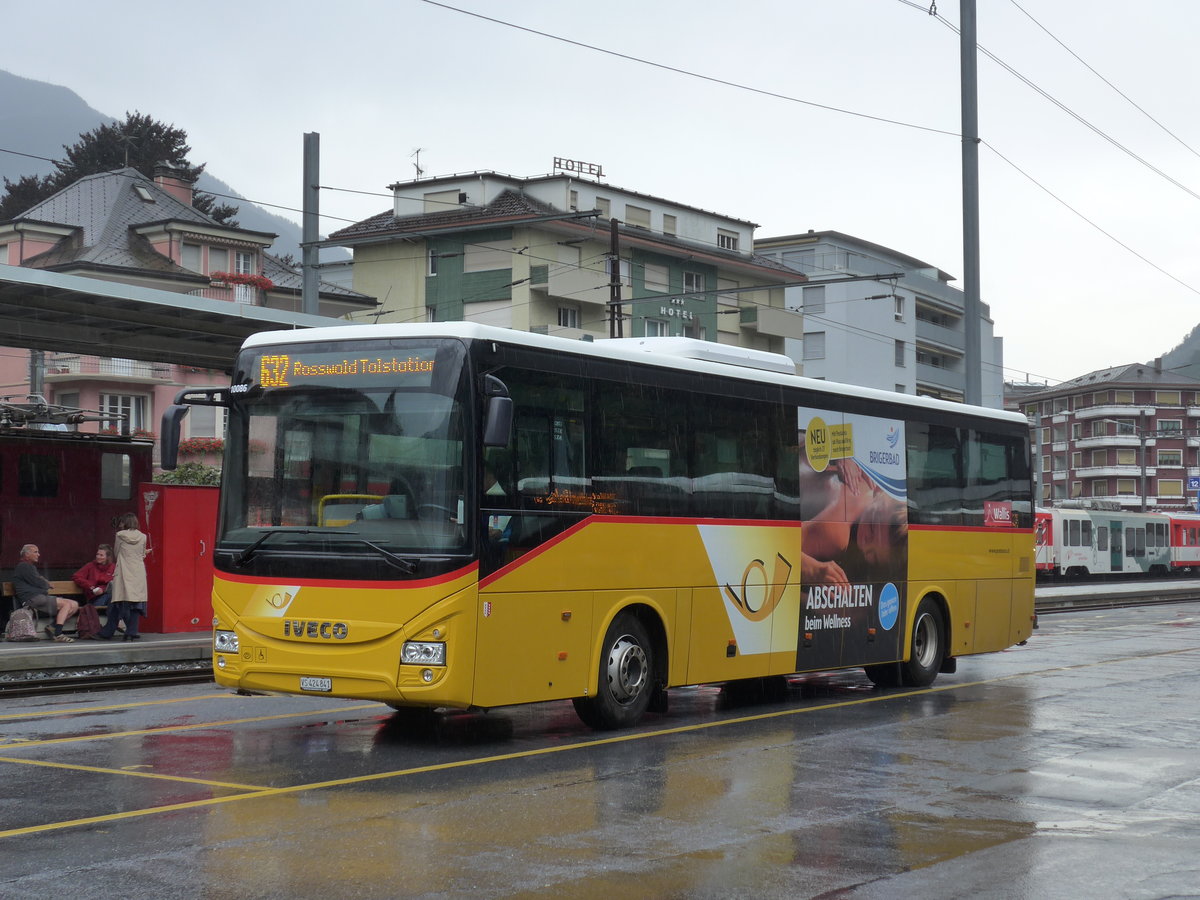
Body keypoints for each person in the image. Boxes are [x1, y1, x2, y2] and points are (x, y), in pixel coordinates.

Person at [95, 513, 149, 642]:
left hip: (124, 571)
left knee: (118, 601)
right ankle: (131, 631)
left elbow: (116, 552)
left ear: (125, 523)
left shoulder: (120, 535)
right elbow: (141, 554)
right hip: (138, 572)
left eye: (121, 522)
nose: (120, 525)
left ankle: (108, 632)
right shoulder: (143, 536)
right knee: (136, 602)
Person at [12, 543, 79, 642]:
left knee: (75, 604)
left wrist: (43, 583)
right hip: (32, 599)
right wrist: (45, 584)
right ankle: (58, 634)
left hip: (38, 597)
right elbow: (39, 583)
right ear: (27, 555)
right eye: (35, 552)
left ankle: (52, 627)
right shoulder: (24, 566)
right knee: (67, 604)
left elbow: (39, 581)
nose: (38, 554)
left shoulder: (29, 567)